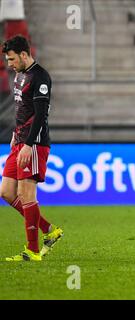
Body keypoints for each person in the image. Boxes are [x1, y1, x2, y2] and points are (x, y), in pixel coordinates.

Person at [1, 35, 63, 261]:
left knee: (26, 194)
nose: (9, 64)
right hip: (19, 142)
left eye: (12, 59)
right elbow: (22, 110)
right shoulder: (19, 75)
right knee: (6, 192)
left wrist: (28, 144)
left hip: (34, 145)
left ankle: (33, 250)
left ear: (24, 55)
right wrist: (15, 137)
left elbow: (40, 115)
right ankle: (50, 230)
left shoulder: (40, 76)